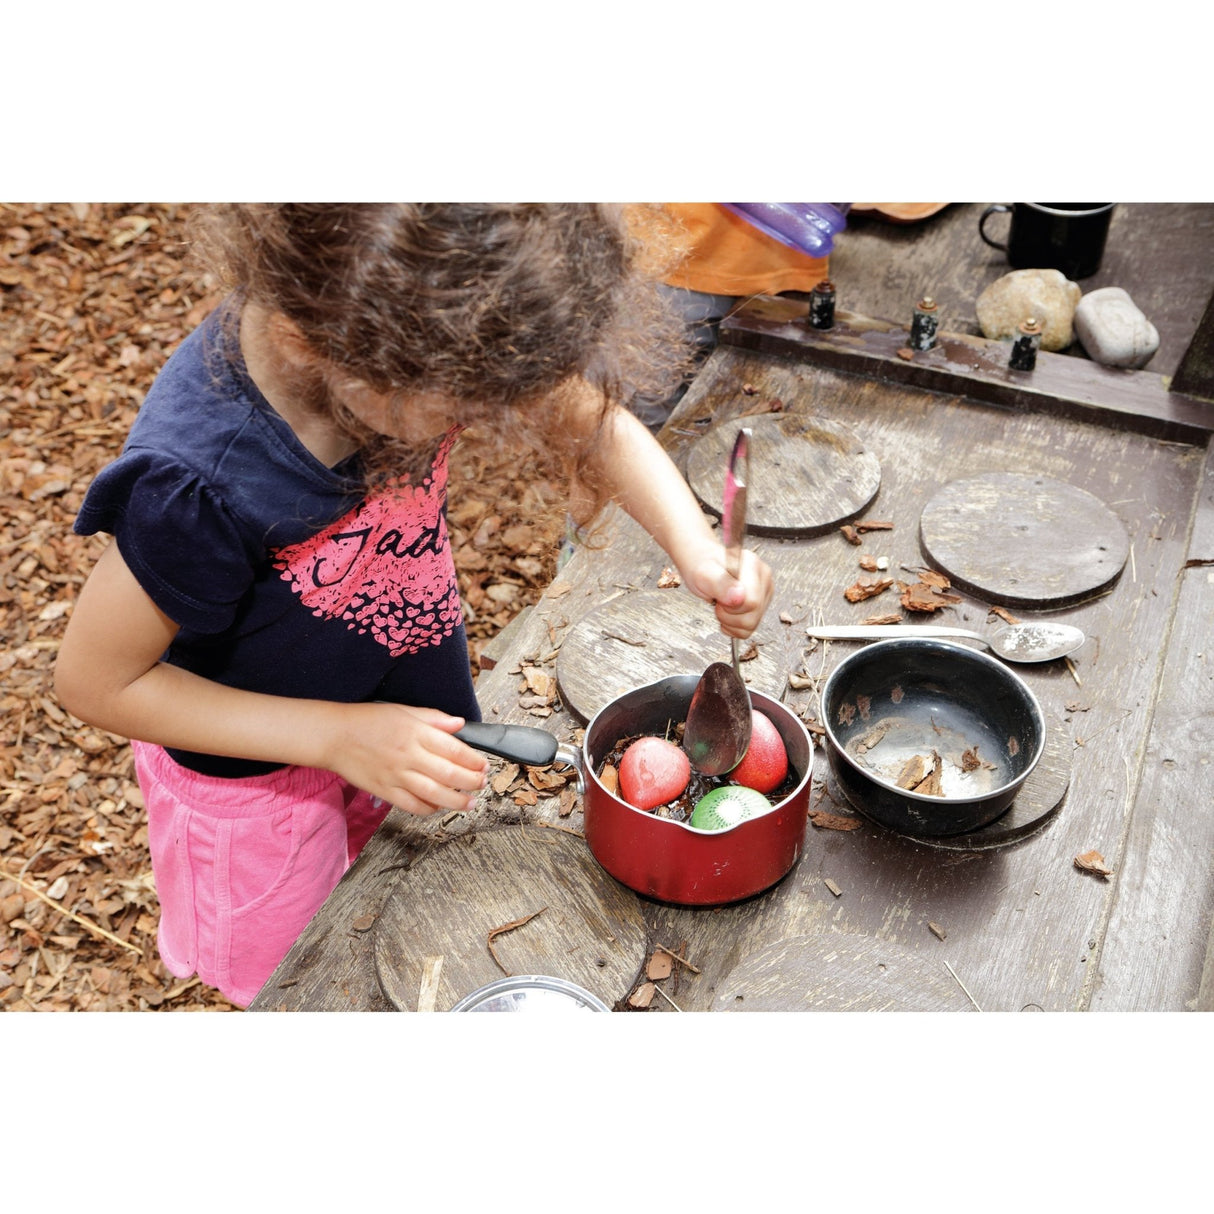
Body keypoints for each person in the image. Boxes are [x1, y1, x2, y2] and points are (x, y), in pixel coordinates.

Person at [54, 204, 775, 1008]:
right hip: (254, 781)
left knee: (378, 893)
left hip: (388, 714)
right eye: (463, 409)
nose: (489, 420)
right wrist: (334, 736)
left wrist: (697, 548)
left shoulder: (411, 335)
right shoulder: (198, 487)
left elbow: (588, 419)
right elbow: (95, 684)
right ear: (316, 343)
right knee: (302, 978)